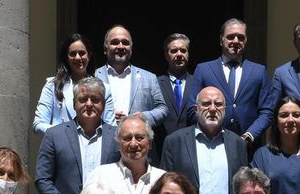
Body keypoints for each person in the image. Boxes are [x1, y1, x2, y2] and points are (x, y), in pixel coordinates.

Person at [34, 76, 121, 194]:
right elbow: (42, 179)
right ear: (74, 104)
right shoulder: (54, 135)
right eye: (83, 99)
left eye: (95, 99)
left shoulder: (118, 136)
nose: (89, 104)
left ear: (103, 104)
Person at [160, 86, 248, 194]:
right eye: (206, 104)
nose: (212, 109)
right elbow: (164, 187)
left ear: (225, 110)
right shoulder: (175, 142)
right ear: (196, 110)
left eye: (218, 104)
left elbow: (243, 186)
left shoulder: (238, 144)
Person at [185, 19, 273, 149]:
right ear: (221, 40)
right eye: (231, 37)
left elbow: (267, 111)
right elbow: (193, 108)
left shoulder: (259, 71)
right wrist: (214, 131)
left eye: (241, 37)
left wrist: (249, 136)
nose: (236, 41)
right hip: (211, 145)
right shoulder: (204, 70)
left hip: (249, 148)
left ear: (246, 41)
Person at [94, 24, 168, 164]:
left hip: (139, 152)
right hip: (103, 149)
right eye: (115, 42)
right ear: (105, 49)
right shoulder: (93, 77)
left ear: (131, 48)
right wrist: (105, 115)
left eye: (125, 42)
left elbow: (163, 109)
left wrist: (143, 117)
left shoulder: (149, 77)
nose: (120, 46)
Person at [86, 114, 165, 194]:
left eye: (139, 138)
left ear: (150, 143)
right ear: (118, 144)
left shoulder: (163, 180)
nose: (133, 144)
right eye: (127, 138)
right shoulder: (100, 176)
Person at [32, 33, 115, 136]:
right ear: (66, 57)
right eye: (72, 54)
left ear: (88, 56)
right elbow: (38, 124)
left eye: (82, 53)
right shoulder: (52, 85)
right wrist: (65, 134)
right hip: (60, 146)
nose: (77, 57)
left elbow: (111, 127)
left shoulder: (104, 88)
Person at [154, 33, 194, 159]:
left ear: (188, 54)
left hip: (191, 150)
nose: (179, 54)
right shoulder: (155, 82)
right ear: (166, 55)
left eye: (183, 50)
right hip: (162, 151)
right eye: (174, 51)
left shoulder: (198, 83)